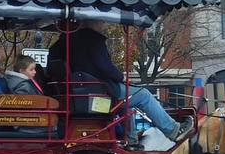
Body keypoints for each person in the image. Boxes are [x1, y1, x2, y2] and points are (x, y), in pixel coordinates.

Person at [47, 21, 191, 143]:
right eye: (101, 21)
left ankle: (131, 138)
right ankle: (173, 130)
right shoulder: (93, 40)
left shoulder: (58, 46)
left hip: (77, 95)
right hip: (97, 93)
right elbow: (105, 66)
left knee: (126, 100)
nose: (104, 24)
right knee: (144, 95)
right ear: (91, 22)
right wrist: (122, 78)